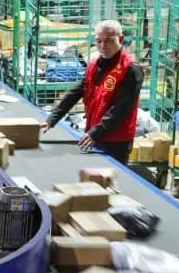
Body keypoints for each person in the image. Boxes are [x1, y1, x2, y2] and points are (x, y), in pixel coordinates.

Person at [42, 20, 144, 165]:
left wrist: (96, 132)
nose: (103, 46)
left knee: (112, 178)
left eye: (109, 41)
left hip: (116, 140)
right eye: (99, 41)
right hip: (94, 134)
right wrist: (53, 118)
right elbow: (76, 92)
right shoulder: (93, 65)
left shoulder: (130, 69)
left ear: (120, 40)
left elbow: (121, 109)